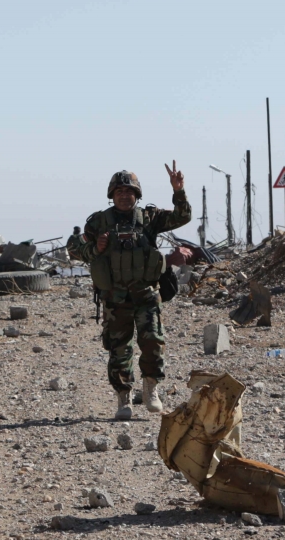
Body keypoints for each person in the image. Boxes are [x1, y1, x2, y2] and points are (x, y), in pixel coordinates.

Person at [68, 162, 191, 420]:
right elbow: (74, 250)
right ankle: (123, 396)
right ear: (112, 195)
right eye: (119, 191)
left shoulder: (149, 218)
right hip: (115, 298)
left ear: (137, 195)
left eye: (130, 191)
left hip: (146, 295)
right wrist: (96, 248)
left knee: (153, 343)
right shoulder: (99, 222)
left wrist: (178, 190)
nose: (125, 196)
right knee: (119, 348)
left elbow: (182, 217)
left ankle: (150, 389)